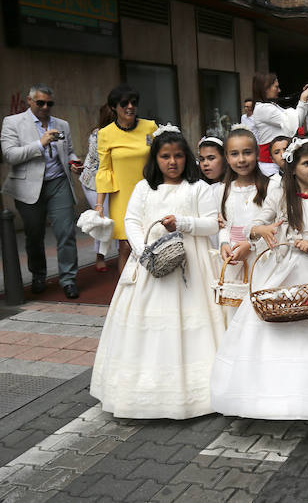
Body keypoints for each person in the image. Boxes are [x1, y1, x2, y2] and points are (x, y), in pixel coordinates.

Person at [211, 138, 308, 420]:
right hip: (286, 268)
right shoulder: (280, 196)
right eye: (307, 163)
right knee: (281, 326)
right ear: (293, 169)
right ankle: (276, 392)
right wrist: (265, 230)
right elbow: (252, 226)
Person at [90, 125, 228, 418]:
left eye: (178, 155)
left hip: (191, 267)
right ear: (156, 159)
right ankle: (144, 394)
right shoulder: (144, 188)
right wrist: (144, 252)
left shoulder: (199, 188)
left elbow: (212, 224)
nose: (172, 162)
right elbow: (132, 221)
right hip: (150, 265)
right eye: (165, 156)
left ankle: (197, 393)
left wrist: (183, 223)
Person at [1, 84, 82, 297]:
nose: (46, 107)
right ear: (29, 101)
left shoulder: (62, 124)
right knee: (34, 235)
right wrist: (40, 143)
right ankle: (38, 275)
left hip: (58, 183)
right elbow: (9, 155)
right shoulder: (13, 123)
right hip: (28, 186)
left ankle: (68, 279)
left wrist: (74, 162)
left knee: (66, 232)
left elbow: (70, 151)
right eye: (40, 103)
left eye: (49, 103)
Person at [94, 85, 159, 276]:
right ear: (114, 107)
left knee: (151, 240)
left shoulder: (150, 127)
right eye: (125, 103)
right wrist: (99, 205)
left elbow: (160, 157)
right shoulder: (105, 134)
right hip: (122, 196)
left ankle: (151, 286)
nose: (130, 107)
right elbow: (104, 170)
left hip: (149, 191)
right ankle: (126, 290)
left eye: (134, 103)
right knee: (125, 245)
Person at [215, 127, 272, 323]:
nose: (241, 159)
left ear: (256, 153)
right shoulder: (222, 190)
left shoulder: (270, 187)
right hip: (234, 258)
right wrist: (224, 243)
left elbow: (276, 226)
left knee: (260, 307)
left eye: (247, 152)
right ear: (227, 157)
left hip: (262, 257)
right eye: (234, 154)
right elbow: (223, 224)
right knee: (236, 311)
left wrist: (251, 244)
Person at [250, 72, 308, 176]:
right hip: (271, 165)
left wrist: (304, 97)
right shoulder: (263, 108)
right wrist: (303, 98)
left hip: (280, 161)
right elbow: (295, 123)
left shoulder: (270, 106)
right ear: (265, 88)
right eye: (276, 87)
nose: (279, 90)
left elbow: (295, 118)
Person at [79, 104, 116, 272]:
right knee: (103, 217)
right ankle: (100, 255)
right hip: (94, 182)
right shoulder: (97, 135)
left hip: (115, 181)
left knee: (118, 217)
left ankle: (123, 252)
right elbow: (102, 162)